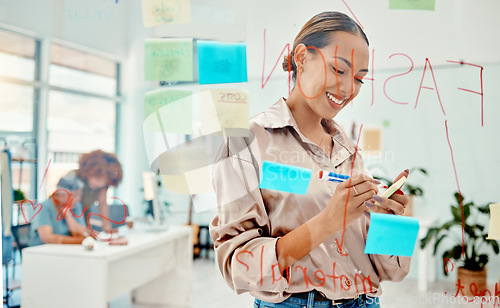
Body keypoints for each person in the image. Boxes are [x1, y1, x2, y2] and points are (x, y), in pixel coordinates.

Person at [209, 11, 411, 308]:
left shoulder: (348, 151)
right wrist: (328, 221)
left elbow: (389, 271)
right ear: (302, 59)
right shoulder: (245, 141)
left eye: (359, 79)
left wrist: (390, 224)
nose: (348, 89)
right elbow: (238, 266)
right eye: (339, 70)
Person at [28, 172, 91, 246]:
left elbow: (81, 234)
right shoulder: (43, 207)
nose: (79, 199)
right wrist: (79, 241)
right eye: (75, 196)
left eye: (79, 195)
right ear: (61, 195)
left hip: (64, 250)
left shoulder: (76, 206)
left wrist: (68, 216)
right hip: (40, 252)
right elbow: (47, 238)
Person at [72, 150, 123, 233]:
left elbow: (102, 203)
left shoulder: (101, 186)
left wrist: (106, 225)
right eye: (97, 179)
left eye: (104, 183)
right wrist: (83, 230)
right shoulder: (73, 180)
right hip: (67, 221)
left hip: (83, 221)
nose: (100, 184)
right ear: (88, 171)